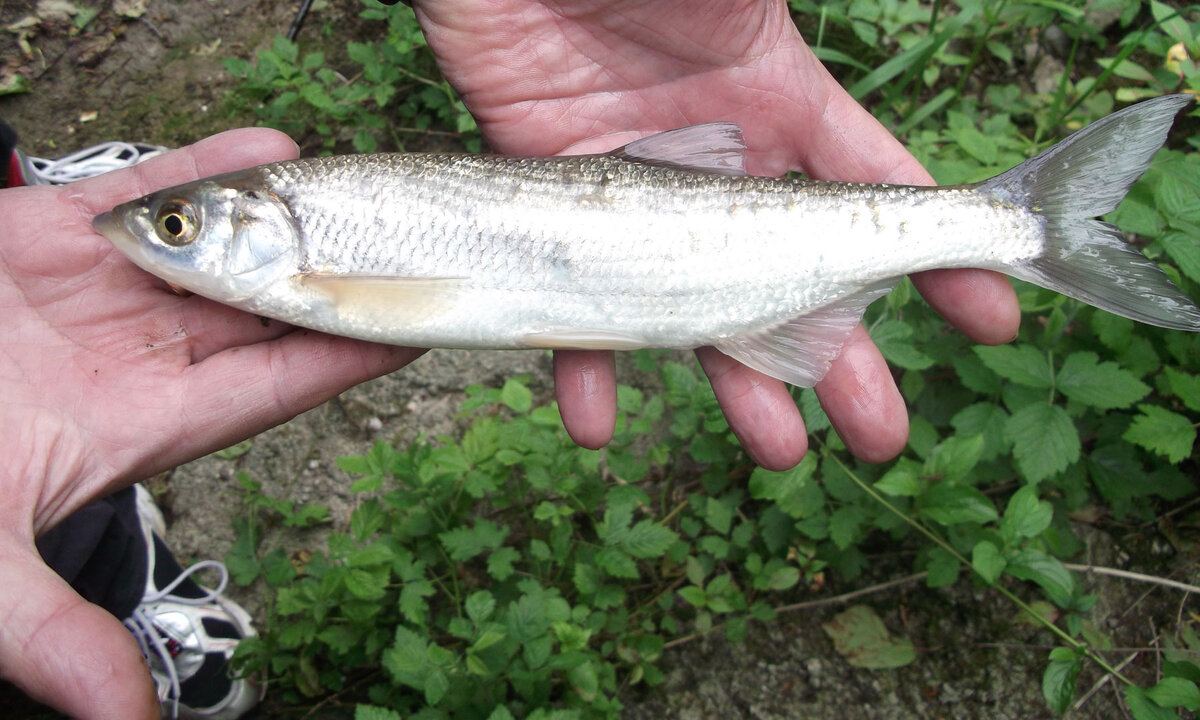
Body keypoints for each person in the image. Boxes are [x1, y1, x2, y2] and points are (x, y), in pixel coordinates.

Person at [0, 1, 1020, 718]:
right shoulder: (297, 242)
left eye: (174, 225)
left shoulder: (311, 245)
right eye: (174, 224)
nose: (153, 239)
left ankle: (1015, 224)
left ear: (258, 222)